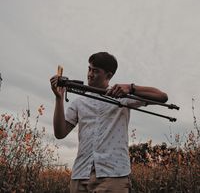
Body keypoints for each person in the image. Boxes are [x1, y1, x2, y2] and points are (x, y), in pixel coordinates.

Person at [50, 52, 168, 193]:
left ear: (109, 75)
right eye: (89, 69)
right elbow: (60, 133)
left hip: (113, 175)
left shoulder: (123, 97)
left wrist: (131, 88)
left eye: (96, 71)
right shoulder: (79, 102)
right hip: (80, 174)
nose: (90, 74)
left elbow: (162, 97)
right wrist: (59, 99)